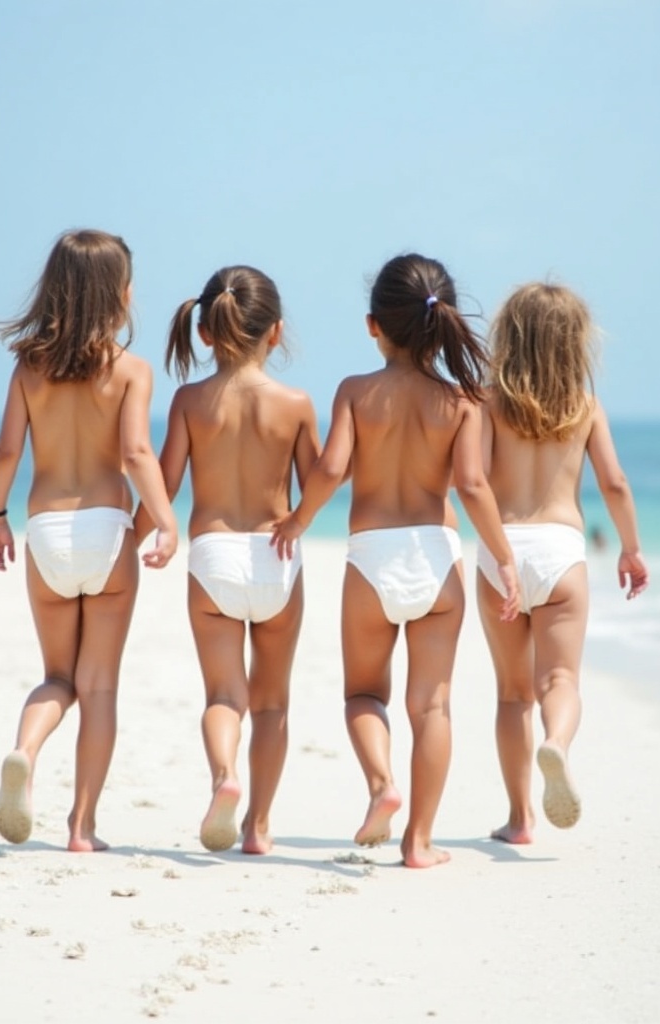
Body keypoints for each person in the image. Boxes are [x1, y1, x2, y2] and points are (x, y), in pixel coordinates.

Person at [271, 253, 520, 868]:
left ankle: (383, 785)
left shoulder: (356, 392)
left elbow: (331, 469)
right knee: (431, 705)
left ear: (373, 324)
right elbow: (473, 486)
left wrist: (299, 521)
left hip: (372, 557)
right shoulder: (464, 399)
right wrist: (504, 558)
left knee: (362, 695)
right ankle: (419, 842)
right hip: (436, 556)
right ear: (443, 323)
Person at [0, 229, 178, 852]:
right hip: (107, 532)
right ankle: (82, 828)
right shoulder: (131, 370)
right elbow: (135, 452)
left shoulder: (28, 368)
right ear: (121, 295)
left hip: (46, 534)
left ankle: (25, 748)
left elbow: (7, 449)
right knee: (98, 687)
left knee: (57, 678)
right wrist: (167, 520)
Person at [134, 265, 320, 855]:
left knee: (223, 697)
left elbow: (164, 483)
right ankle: (258, 828)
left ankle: (224, 777)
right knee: (272, 704)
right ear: (277, 333)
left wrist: (137, 537)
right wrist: (298, 521)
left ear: (206, 333)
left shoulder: (190, 400)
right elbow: (316, 484)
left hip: (212, 557)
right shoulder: (295, 404)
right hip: (276, 556)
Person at [476, 282, 649, 844]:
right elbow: (615, 484)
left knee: (510, 693)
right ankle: (557, 743)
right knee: (560, 678)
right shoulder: (585, 405)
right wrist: (630, 548)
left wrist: (493, 549)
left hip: (500, 549)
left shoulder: (487, 401)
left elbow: (472, 482)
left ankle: (520, 818)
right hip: (560, 551)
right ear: (575, 342)